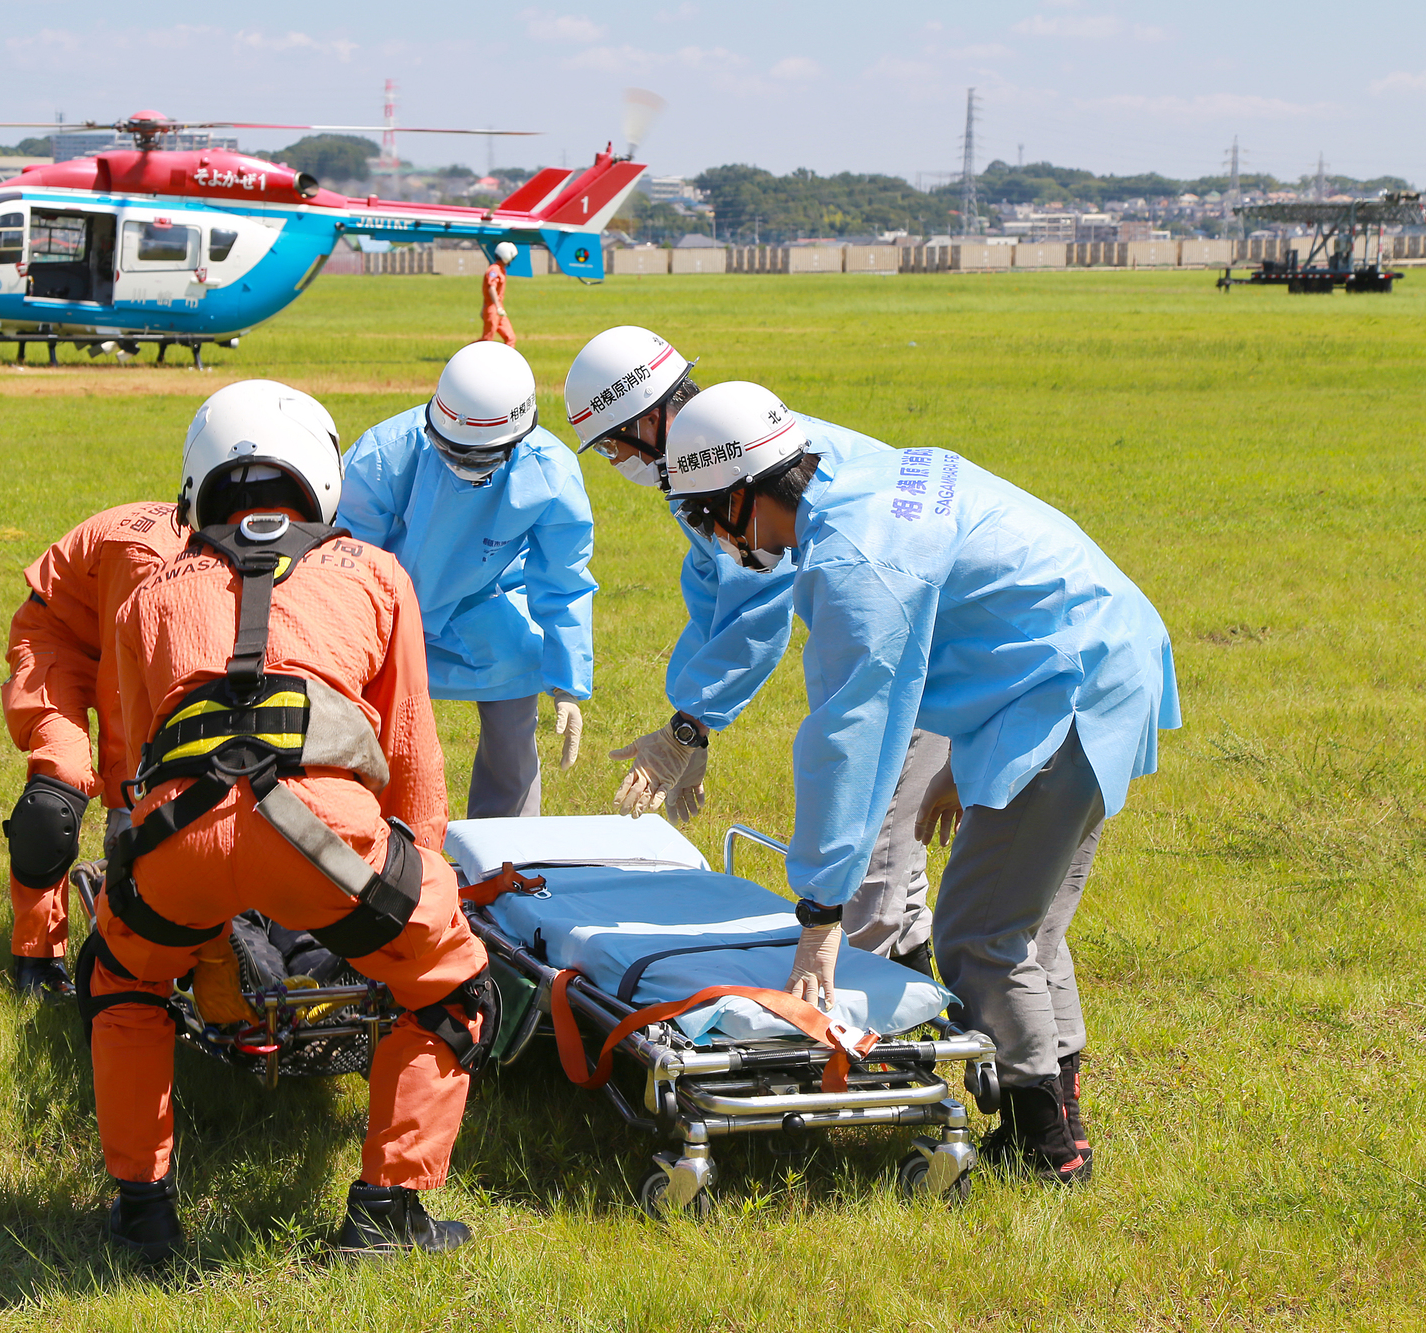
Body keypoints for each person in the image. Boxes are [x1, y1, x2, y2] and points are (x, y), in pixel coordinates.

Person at [665, 380, 1181, 1186]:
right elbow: (969, 615)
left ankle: (1045, 1145)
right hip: (1086, 656)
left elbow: (853, 738)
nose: (717, 543)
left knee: (979, 932)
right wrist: (958, 758)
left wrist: (821, 911)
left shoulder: (855, 561)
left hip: (1067, 687)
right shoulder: (851, 474)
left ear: (742, 494)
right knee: (1026, 924)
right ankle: (1056, 1120)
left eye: (705, 517)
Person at [87, 379, 495, 1261]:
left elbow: (126, 770)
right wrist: (424, 892)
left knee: (123, 986)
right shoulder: (377, 573)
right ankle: (389, 1212)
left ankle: (142, 1214)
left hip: (175, 842)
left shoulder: (147, 596)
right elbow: (414, 755)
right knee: (455, 988)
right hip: (328, 838)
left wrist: (167, 904)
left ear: (198, 482)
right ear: (321, 474)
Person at [561, 326, 938, 970]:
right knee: (887, 864)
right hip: (899, 631)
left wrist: (684, 731)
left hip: (911, 641)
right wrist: (696, 726)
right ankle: (909, 984)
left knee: (875, 868)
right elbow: (716, 595)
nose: (616, 465)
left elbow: (761, 611)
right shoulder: (704, 464)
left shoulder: (732, 466)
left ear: (650, 420)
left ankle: (898, 1031)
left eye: (614, 449)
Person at [338, 341, 594, 819]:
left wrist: (567, 682)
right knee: (379, 732)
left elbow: (564, 581)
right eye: (451, 451)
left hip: (482, 601)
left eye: (481, 459)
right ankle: (375, 846)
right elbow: (347, 569)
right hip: (387, 608)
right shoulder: (384, 455)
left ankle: (507, 856)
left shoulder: (551, 473)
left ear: (518, 442)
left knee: (515, 711)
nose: (463, 466)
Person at [0, 500, 189, 1001]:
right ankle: (36, 961)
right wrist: (127, 810)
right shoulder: (147, 554)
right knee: (58, 786)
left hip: (122, 648)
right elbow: (122, 693)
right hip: (57, 643)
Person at [479, 241, 517, 346]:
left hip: (498, 308)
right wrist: (497, 306)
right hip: (493, 308)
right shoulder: (494, 270)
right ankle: (465, 354)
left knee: (510, 338)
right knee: (487, 340)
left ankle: (507, 361)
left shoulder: (501, 269)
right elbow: (491, 288)